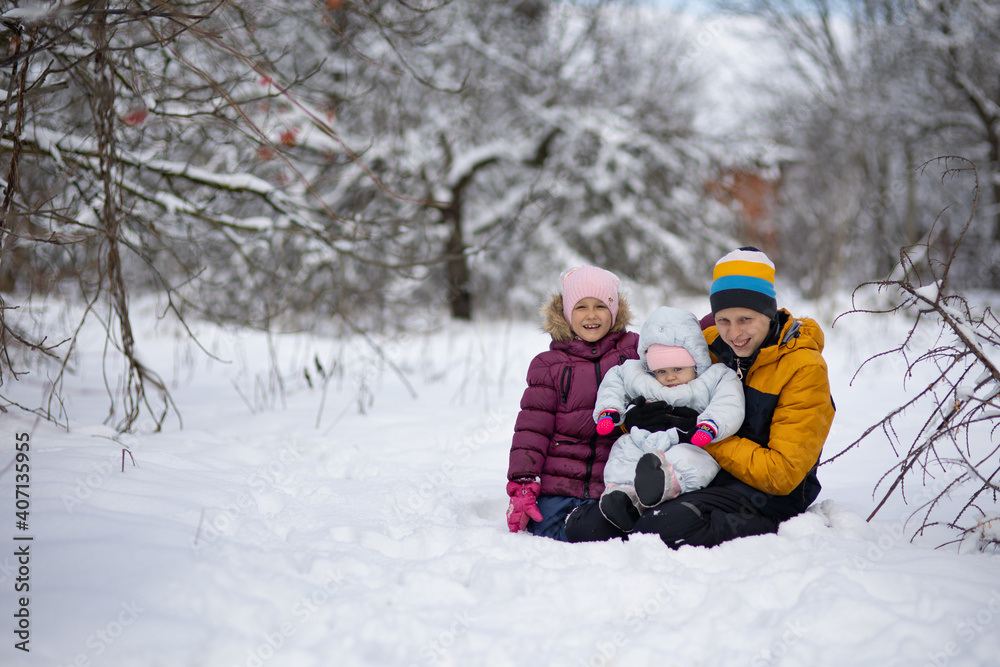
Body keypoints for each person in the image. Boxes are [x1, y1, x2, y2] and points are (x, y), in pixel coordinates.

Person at [565, 247, 835, 548]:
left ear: (768, 313)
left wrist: (703, 434)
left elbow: (782, 474)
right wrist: (634, 420)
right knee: (589, 528)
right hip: (696, 471)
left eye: (745, 319)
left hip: (765, 493)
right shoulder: (705, 346)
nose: (734, 334)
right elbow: (652, 386)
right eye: (724, 320)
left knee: (657, 528)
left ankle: (766, 529)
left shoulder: (803, 368)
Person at [506, 265, 640, 541]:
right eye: (581, 307)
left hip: (614, 481)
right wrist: (523, 482)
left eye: (601, 306)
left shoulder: (634, 352)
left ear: (614, 311)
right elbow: (532, 430)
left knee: (619, 525)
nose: (591, 315)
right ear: (567, 313)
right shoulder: (549, 365)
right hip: (560, 485)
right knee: (543, 526)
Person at [593, 306, 744, 532]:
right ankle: (624, 496)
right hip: (644, 438)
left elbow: (729, 401)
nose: (670, 376)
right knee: (624, 449)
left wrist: (711, 425)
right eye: (661, 371)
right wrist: (610, 411)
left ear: (696, 362)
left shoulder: (714, 377)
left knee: (695, 459)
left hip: (688, 439)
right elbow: (614, 382)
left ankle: (666, 482)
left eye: (677, 368)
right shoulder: (639, 376)